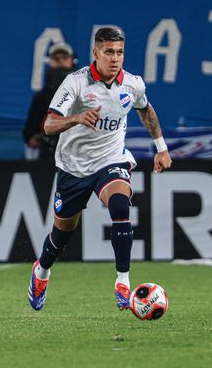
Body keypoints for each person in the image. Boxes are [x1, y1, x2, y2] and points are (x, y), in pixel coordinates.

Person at [27, 27, 172, 312]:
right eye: (108, 52)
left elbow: (145, 110)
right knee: (62, 235)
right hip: (73, 167)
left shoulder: (132, 84)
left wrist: (162, 147)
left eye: (119, 52)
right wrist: (78, 118)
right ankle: (41, 271)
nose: (115, 58)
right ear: (96, 53)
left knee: (120, 205)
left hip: (111, 160)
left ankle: (122, 282)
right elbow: (48, 125)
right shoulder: (75, 83)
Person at [23, 42, 77, 161]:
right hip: (50, 153)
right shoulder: (42, 95)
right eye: (56, 58)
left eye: (65, 57)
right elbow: (29, 131)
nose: (61, 61)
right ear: (50, 62)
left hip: (79, 151)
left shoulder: (84, 88)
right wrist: (37, 138)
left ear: (72, 60)